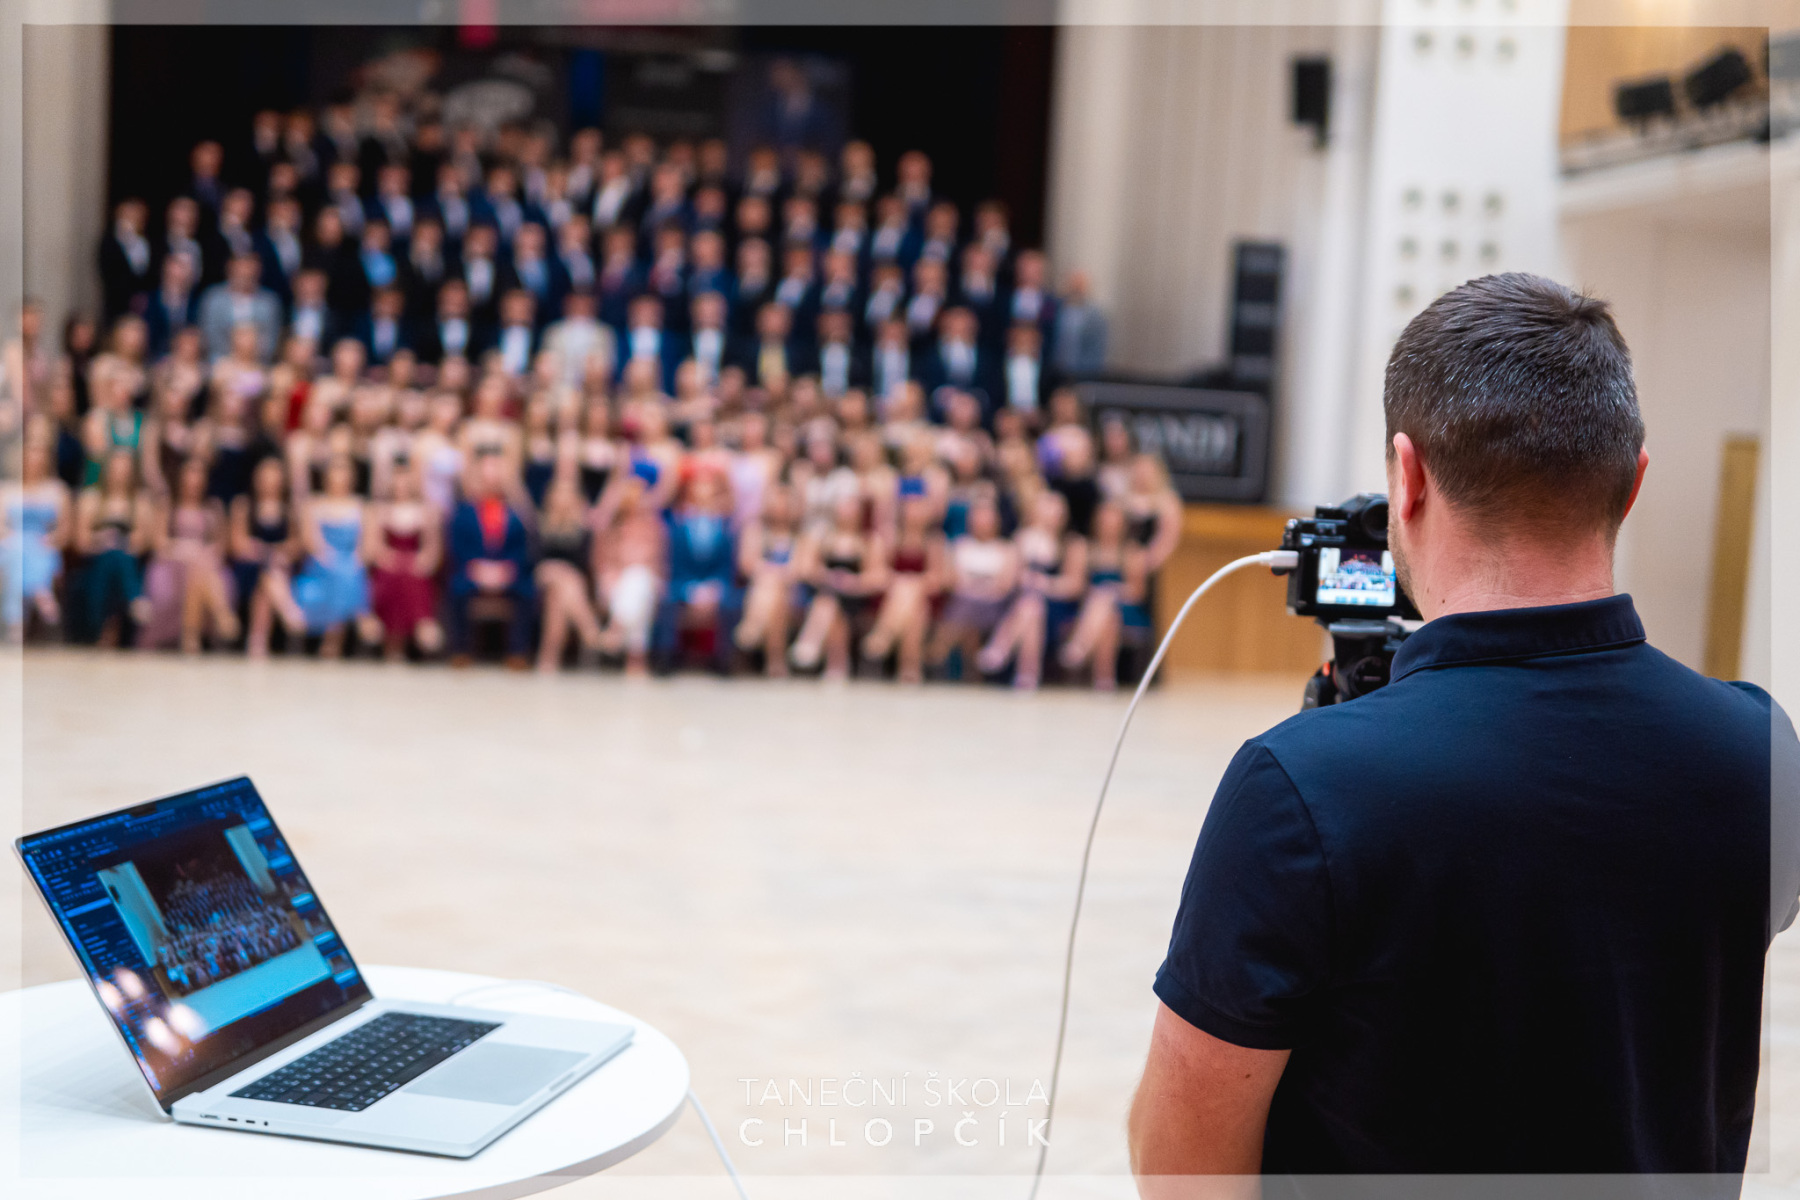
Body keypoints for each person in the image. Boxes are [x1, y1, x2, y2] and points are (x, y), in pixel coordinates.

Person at [1128, 274, 1800, 1190]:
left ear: (1406, 477)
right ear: (1634, 481)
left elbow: (1181, 1164)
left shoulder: (1301, 788)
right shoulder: (1761, 752)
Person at [977, 489, 1086, 690]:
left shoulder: (1073, 544)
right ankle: (1027, 675)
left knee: (1032, 605)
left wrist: (1045, 584)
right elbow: (1008, 580)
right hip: (1021, 607)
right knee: (1032, 607)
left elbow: (1075, 586)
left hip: (1058, 609)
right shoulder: (1022, 539)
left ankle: (1001, 647)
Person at [445, 451, 534, 668]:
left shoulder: (517, 514)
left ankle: (518, 652)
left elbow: (523, 548)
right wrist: (478, 568)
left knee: (528, 591)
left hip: (507, 572)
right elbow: (457, 546)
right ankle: (461, 650)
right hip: (472, 570)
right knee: (456, 588)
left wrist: (505, 569)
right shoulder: (463, 512)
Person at [140, 458, 239, 653]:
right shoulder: (168, 504)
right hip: (172, 564)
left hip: (204, 565)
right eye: (191, 472)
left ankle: (190, 638)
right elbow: (158, 542)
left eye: (199, 473)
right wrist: (185, 548)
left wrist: (202, 552)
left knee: (199, 568)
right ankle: (222, 615)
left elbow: (221, 546)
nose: (195, 478)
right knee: (197, 565)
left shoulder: (213, 507)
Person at [790, 492, 886, 680]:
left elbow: (879, 576)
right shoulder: (823, 537)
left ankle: (811, 642)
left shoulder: (869, 540)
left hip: (856, 598)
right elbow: (806, 568)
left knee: (830, 604)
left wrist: (853, 582)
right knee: (829, 603)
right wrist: (829, 576)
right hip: (825, 592)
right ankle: (837, 665)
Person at [652, 472, 739, 675]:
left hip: (715, 586)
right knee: (667, 601)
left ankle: (724, 660)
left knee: (732, 602)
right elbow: (675, 567)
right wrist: (691, 589)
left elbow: (727, 568)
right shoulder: (677, 529)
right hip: (684, 585)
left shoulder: (727, 529)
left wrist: (712, 589)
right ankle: (666, 657)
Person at [291, 455, 376, 658]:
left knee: (348, 572)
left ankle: (333, 639)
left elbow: (368, 546)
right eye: (335, 469)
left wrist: (352, 562)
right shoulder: (313, 505)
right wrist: (334, 561)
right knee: (342, 574)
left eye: (344, 470)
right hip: (320, 567)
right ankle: (360, 618)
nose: (339, 475)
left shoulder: (362, 507)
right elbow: (311, 543)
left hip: (352, 565)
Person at [927, 497, 1018, 681]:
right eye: (978, 516)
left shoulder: (1007, 549)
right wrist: (982, 585)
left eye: (986, 516)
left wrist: (974, 586)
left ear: (996, 520)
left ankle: (936, 654)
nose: (982, 521)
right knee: (965, 607)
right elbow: (951, 581)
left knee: (967, 608)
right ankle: (966, 668)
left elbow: (1004, 586)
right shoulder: (960, 545)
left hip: (994, 607)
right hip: (963, 602)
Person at [1058, 499, 1145, 691]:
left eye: (1114, 521)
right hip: (1087, 610)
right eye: (1105, 520)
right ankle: (1105, 679)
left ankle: (1080, 646)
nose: (1109, 525)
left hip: (1126, 609)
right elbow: (1076, 585)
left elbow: (1137, 592)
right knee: (1107, 616)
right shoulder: (1084, 548)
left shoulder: (1131, 551)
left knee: (1106, 602)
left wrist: (1114, 589)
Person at [860, 494, 946, 684]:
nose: (914, 513)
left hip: (923, 598)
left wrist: (911, 582)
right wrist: (901, 582)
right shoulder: (888, 538)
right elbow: (874, 574)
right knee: (912, 602)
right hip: (888, 600)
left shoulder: (934, 542)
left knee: (913, 595)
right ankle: (910, 668)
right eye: (911, 507)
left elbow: (937, 579)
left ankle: (884, 636)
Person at [365, 461, 444, 661]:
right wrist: (391, 558)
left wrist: (421, 560)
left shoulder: (425, 512)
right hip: (389, 565)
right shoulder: (380, 511)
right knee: (393, 577)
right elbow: (374, 547)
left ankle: (421, 629)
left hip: (414, 566)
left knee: (413, 577)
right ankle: (394, 640)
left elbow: (432, 549)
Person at [230, 456, 305, 659]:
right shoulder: (244, 505)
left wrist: (280, 552)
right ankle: (288, 611)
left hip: (280, 568)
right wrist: (264, 551)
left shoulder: (288, 509)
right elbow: (237, 544)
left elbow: (296, 544)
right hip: (249, 567)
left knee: (266, 581)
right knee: (266, 574)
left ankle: (257, 641)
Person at [594, 471, 665, 677]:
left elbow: (658, 563)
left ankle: (617, 627)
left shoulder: (654, 527)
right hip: (617, 581)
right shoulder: (611, 527)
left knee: (638, 578)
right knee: (635, 586)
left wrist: (634, 566)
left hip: (647, 578)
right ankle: (636, 659)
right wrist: (611, 576)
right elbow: (604, 563)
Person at [532, 473, 604, 672]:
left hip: (569, 583)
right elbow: (534, 558)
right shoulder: (539, 523)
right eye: (559, 493)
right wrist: (556, 568)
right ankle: (590, 631)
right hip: (543, 576)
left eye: (568, 493)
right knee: (561, 575)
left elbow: (583, 563)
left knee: (558, 595)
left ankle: (548, 659)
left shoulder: (583, 528)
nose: (563, 498)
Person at [2, 440, 70, 637]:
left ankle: (15, 621)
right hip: (11, 545)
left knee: (30, 551)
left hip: (44, 546)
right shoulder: (6, 490)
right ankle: (40, 591)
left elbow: (65, 529)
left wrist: (52, 539)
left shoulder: (57, 490)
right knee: (17, 551)